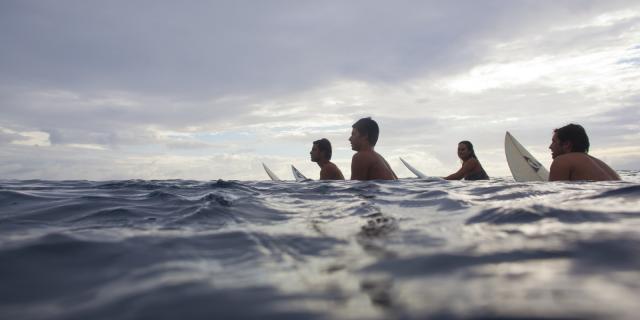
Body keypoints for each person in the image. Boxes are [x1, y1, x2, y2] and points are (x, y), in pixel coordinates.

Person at [548, 123, 620, 181]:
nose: (550, 147)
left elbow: (555, 196)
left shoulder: (562, 161)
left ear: (566, 144)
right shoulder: (604, 166)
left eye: (554, 142)